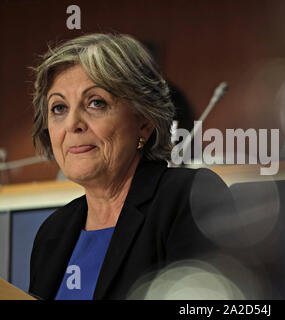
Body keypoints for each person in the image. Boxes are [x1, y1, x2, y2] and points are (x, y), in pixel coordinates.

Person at [28, 33, 236, 300]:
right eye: (59, 108)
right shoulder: (52, 233)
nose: (72, 124)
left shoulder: (188, 197)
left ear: (144, 122)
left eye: (95, 103)